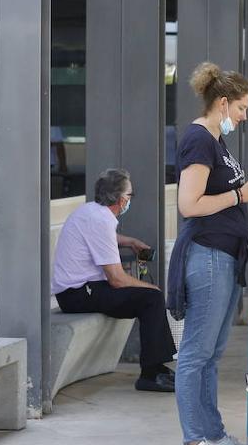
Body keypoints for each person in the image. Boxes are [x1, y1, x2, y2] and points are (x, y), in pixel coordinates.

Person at [167, 63, 248, 445]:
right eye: (243, 108)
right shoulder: (200, 140)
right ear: (223, 102)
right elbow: (189, 205)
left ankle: (212, 434)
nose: (245, 117)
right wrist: (239, 196)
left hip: (225, 256)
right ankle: (193, 443)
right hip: (208, 254)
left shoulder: (216, 140)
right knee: (196, 354)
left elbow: (223, 192)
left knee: (211, 355)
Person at [52, 168, 176, 392]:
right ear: (121, 199)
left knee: (150, 297)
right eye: (130, 195)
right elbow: (117, 279)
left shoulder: (91, 212)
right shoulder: (102, 220)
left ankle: (158, 368)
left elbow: (103, 239)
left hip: (76, 290)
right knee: (151, 298)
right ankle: (151, 373)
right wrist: (151, 287)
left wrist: (129, 242)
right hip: (78, 294)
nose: (130, 200)